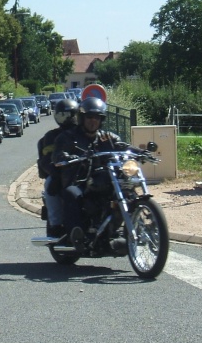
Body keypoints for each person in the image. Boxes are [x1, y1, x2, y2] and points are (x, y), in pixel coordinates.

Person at [52, 97, 134, 251]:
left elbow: (122, 146)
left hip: (105, 178)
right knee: (72, 194)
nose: (93, 121)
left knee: (127, 191)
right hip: (79, 180)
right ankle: (76, 234)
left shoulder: (106, 137)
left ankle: (127, 226)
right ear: (82, 118)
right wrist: (67, 157)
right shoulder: (69, 137)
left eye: (97, 118)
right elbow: (58, 154)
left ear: (101, 120)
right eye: (89, 117)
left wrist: (139, 151)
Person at [36, 98, 79, 238]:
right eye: (63, 116)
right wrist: (55, 175)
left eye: (70, 115)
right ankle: (55, 225)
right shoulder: (51, 136)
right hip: (60, 174)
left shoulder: (83, 133)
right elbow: (47, 160)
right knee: (49, 186)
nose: (67, 120)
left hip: (81, 172)